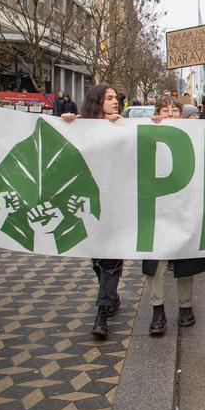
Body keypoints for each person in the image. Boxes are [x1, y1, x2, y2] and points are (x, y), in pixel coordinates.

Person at [141, 100, 205, 334]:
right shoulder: (147, 133)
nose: (170, 113)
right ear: (157, 113)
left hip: (184, 210)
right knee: (156, 265)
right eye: (165, 110)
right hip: (157, 212)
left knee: (186, 261)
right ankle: (157, 309)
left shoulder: (194, 136)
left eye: (175, 110)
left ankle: (185, 306)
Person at [61, 85, 125, 337]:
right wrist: (67, 123)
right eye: (109, 98)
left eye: (115, 98)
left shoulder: (121, 125)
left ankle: (102, 312)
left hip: (116, 203)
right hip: (89, 204)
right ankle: (111, 296)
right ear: (97, 101)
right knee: (98, 260)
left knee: (110, 259)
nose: (115, 101)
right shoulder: (80, 126)